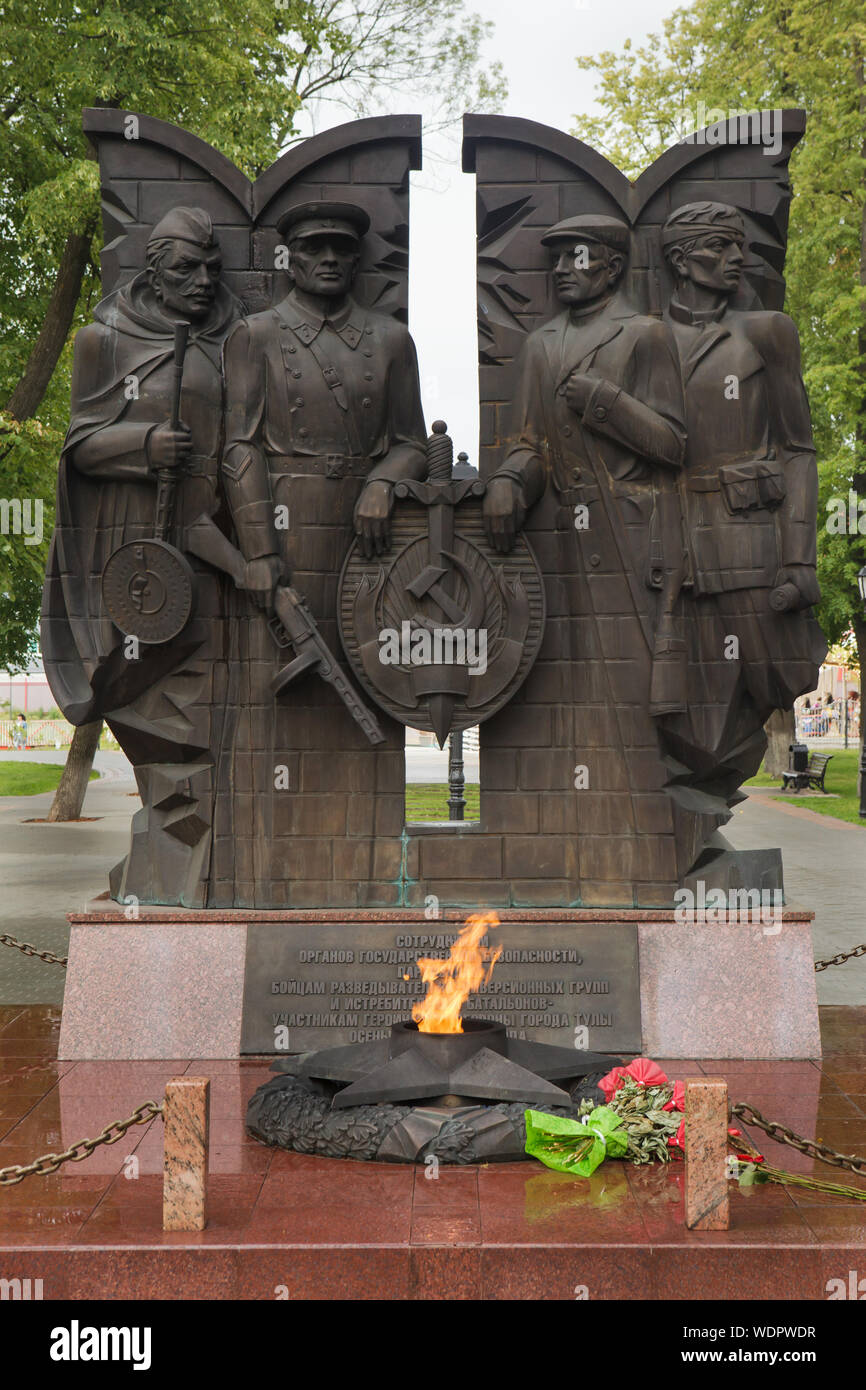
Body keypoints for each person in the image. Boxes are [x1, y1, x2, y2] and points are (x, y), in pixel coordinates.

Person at [479, 213, 707, 900]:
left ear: (610, 265)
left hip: (633, 537)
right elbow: (527, 443)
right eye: (555, 261)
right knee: (569, 697)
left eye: (575, 258)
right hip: (562, 544)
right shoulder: (542, 346)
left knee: (635, 700)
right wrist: (509, 483)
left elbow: (673, 444)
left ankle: (647, 852)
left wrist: (605, 403)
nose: (560, 271)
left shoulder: (647, 335)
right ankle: (569, 848)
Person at [216, 201, 428, 906]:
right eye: (314, 248)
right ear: (292, 258)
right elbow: (239, 445)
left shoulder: (391, 340)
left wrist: (382, 480)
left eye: (342, 246)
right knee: (279, 704)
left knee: (368, 691)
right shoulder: (256, 336)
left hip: (367, 542)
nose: (330, 258)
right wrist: (258, 548)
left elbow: (412, 440)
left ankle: (367, 884)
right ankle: (263, 881)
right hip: (284, 526)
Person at [42, 207, 245, 904]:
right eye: (186, 268)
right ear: (153, 269)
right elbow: (79, 448)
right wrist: (142, 445)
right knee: (149, 700)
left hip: (209, 543)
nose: (203, 280)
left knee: (202, 700)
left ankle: (189, 855)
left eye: (212, 267)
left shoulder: (228, 339)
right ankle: (173, 853)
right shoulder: (103, 341)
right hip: (134, 550)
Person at [658, 201, 826, 795]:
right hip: (677, 555)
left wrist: (799, 559)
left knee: (775, 677)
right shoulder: (644, 340)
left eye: (740, 245)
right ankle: (688, 817)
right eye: (720, 246)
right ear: (681, 260)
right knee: (692, 718)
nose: (738, 258)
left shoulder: (766, 332)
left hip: (753, 551)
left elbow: (798, 448)